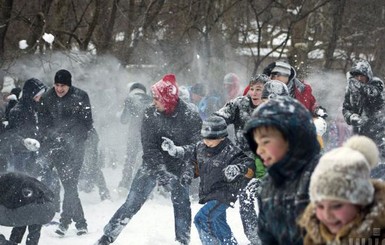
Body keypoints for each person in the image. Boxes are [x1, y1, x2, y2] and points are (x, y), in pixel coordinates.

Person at [95, 74, 202, 245]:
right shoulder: (150, 114)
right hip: (152, 165)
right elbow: (149, 148)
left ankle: (183, 240)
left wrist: (188, 168)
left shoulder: (190, 115)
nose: (154, 102)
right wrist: (161, 172)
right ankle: (107, 236)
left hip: (180, 164)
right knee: (132, 202)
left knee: (182, 205)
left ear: (168, 99)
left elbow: (197, 146)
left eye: (157, 99)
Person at [161, 115, 255, 244]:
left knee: (201, 219)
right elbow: (188, 153)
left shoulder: (230, 151)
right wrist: (174, 150)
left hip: (224, 194)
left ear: (222, 137)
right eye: (205, 137)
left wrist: (238, 169)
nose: (207, 141)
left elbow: (249, 164)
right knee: (218, 223)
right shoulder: (200, 147)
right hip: (210, 193)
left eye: (211, 139)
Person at [243, 96, 321, 245]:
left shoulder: (325, 175)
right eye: (256, 143)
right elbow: (268, 237)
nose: (259, 150)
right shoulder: (268, 185)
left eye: (265, 141)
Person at [298, 135, 385, 244]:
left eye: (336, 206)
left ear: (361, 202)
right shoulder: (314, 238)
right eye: (320, 206)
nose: (327, 215)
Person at [38, 69, 93, 236]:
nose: (59, 89)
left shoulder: (81, 96)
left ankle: (65, 222)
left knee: (70, 183)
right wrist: (53, 137)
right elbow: (43, 123)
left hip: (76, 146)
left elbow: (87, 123)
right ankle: (80, 222)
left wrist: (71, 138)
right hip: (56, 147)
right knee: (69, 185)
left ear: (69, 85)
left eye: (63, 85)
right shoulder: (47, 97)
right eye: (57, 85)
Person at [342, 59, 385, 162]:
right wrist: (351, 117)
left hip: (379, 132)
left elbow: (373, 94)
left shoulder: (377, 83)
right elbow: (346, 108)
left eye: (362, 76)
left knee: (379, 164)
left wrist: (355, 85)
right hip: (359, 133)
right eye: (357, 76)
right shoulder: (351, 90)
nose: (359, 78)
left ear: (368, 75)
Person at [0, 172, 55, 245]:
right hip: (48, 208)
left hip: (34, 207)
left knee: (23, 211)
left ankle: (9, 242)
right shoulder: (14, 178)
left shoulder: (6, 183)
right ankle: (27, 242)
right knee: (29, 212)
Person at [117, 82, 152, 195]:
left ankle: (125, 184)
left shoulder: (130, 99)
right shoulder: (151, 99)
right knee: (147, 161)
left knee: (130, 159)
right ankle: (146, 186)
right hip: (149, 135)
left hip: (134, 135)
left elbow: (124, 120)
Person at [8, 78, 46, 176]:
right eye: (38, 95)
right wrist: (23, 141)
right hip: (21, 155)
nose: (40, 97)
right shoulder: (17, 111)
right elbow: (11, 134)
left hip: (36, 155)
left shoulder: (36, 108)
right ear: (31, 94)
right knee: (24, 184)